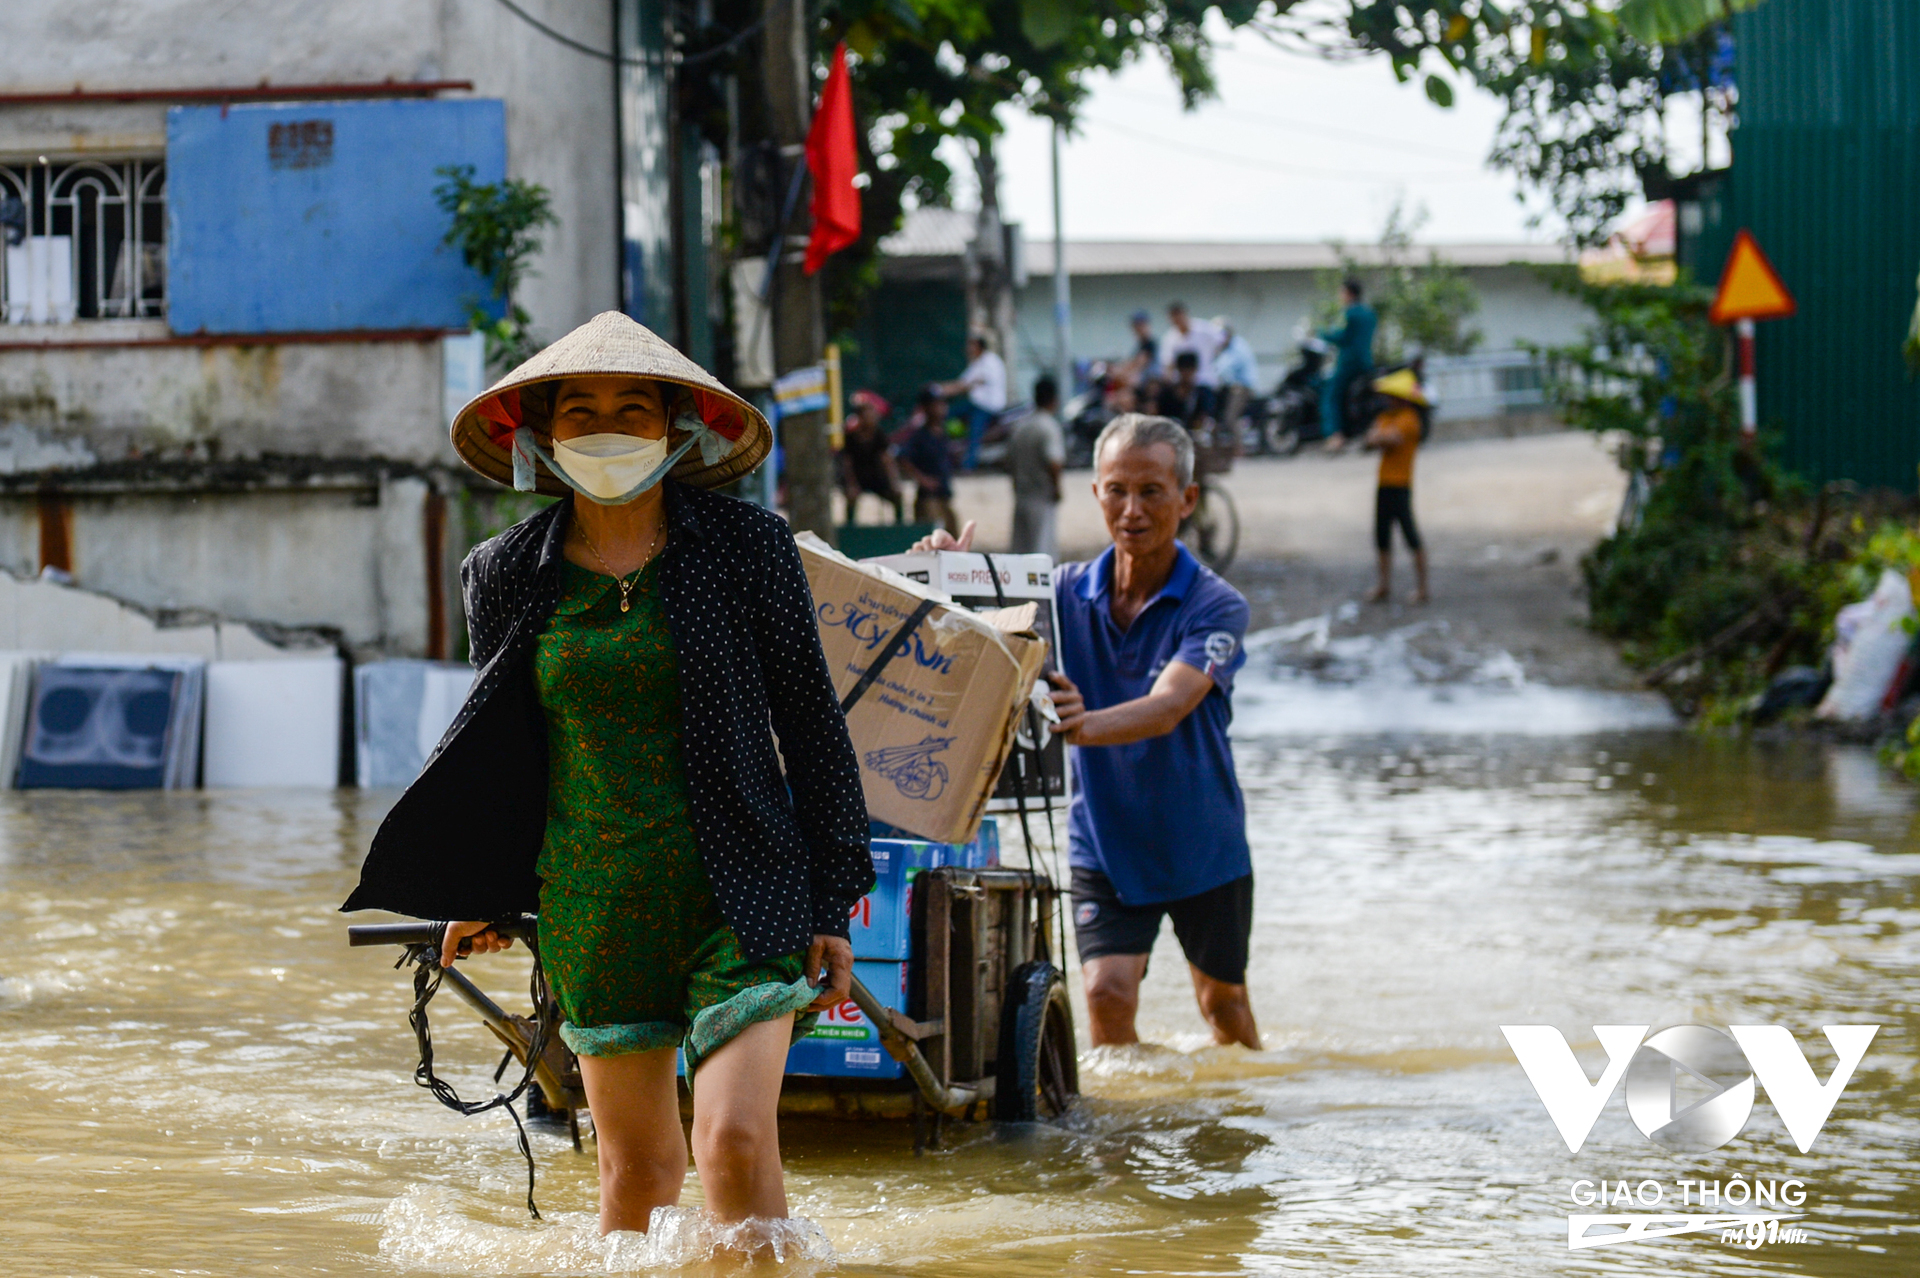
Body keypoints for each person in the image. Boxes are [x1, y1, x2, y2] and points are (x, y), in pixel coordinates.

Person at [342, 311, 875, 1239]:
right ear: (544, 436)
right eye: (581, 413)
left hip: (741, 890)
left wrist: (834, 902)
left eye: (633, 408)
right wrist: (482, 885)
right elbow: (505, 749)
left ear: (675, 428)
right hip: (595, 899)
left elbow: (815, 728)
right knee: (635, 1176)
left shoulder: (748, 551)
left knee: (736, 1144)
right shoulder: (506, 571)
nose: (608, 429)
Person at [908, 414, 1259, 1050]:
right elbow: (982, 632)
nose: (1132, 508)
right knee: (1105, 995)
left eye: (1152, 491)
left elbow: (1169, 706)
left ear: (1188, 499)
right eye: (1116, 489)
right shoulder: (1061, 592)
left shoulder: (1217, 605)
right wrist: (947, 577)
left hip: (1201, 842)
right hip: (1104, 839)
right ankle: (1118, 1146)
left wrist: (1080, 725)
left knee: (1223, 1006)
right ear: (1095, 493)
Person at [1363, 368, 1430, 605]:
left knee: (1411, 536)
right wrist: (1379, 437)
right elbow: (1373, 439)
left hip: (1401, 485)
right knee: (1382, 536)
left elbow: (1386, 439)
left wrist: (1378, 436)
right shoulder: (1389, 418)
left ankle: (1422, 588)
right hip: (1384, 485)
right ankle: (1384, 585)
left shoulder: (1409, 419)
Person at [1007, 374, 1066, 559]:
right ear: (1054, 400)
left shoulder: (1021, 426)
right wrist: (1057, 488)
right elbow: (1054, 462)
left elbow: (1009, 462)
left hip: (1022, 495)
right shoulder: (1048, 427)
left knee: (1021, 552)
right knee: (1041, 552)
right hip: (1042, 496)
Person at [935, 331, 1007, 471]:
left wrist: (946, 389)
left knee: (974, 434)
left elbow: (967, 384)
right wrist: (939, 388)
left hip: (988, 407)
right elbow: (961, 382)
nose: (968, 348)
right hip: (975, 405)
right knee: (945, 414)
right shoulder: (977, 363)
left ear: (979, 346)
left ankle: (968, 467)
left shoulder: (990, 362)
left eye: (971, 345)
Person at [1318, 278, 1376, 451]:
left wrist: (1323, 333)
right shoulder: (1369, 313)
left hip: (1349, 362)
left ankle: (1335, 436)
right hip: (1366, 362)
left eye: (1342, 292)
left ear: (1349, 293)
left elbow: (1341, 336)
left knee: (1331, 395)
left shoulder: (1349, 314)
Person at [899, 387, 959, 535]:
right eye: (936, 404)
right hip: (928, 499)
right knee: (934, 538)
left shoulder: (943, 433)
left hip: (944, 495)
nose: (941, 408)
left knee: (953, 538)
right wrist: (923, 479)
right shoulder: (919, 436)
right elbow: (902, 458)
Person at [838, 389, 902, 523]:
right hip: (857, 477)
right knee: (851, 498)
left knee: (896, 496)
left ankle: (899, 526)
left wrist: (894, 482)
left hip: (875, 476)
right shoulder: (850, 436)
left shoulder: (879, 435)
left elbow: (887, 460)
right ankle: (850, 527)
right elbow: (846, 463)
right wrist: (851, 485)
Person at [1157, 302, 1225, 389]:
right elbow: (1168, 363)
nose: (1177, 320)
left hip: (1204, 381)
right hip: (1181, 385)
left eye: (1179, 316)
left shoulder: (1204, 329)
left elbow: (1222, 341)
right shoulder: (1170, 338)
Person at [1210, 318, 1258, 438]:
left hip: (1242, 387)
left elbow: (1225, 369)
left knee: (1230, 418)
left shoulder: (1237, 346)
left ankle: (1239, 449)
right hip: (1230, 387)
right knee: (1214, 417)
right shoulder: (1226, 348)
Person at [1154, 350, 1216, 433]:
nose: (1187, 374)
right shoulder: (1167, 393)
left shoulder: (1203, 393)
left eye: (1190, 370)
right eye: (1183, 370)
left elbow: (1206, 417)